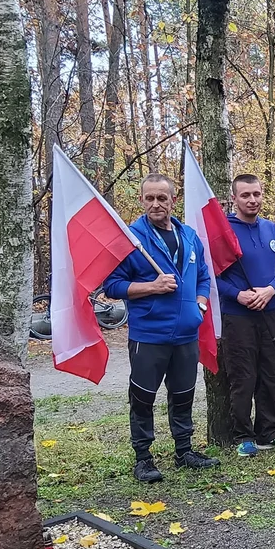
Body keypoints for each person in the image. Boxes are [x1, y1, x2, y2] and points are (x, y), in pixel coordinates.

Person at [104, 173, 220, 482]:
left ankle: (184, 451)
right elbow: (112, 286)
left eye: (162, 198)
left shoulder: (189, 236)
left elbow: (204, 277)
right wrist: (152, 287)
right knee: (142, 398)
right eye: (149, 198)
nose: (156, 204)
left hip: (186, 334)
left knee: (183, 395)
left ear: (173, 200)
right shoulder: (131, 240)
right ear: (141, 200)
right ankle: (143, 458)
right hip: (149, 335)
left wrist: (199, 305)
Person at [215, 174, 275, 457]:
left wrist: (271, 290)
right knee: (243, 376)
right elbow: (211, 275)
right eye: (245, 195)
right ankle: (243, 434)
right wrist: (237, 294)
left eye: (256, 194)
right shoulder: (224, 231)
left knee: (269, 373)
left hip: (269, 312)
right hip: (237, 316)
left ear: (262, 195)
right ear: (235, 198)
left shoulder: (271, 229)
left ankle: (269, 431)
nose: (252, 200)